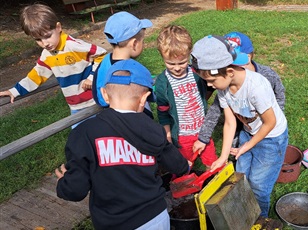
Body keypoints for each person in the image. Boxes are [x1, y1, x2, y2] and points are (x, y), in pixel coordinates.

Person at [55, 59, 189, 230]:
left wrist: (64, 184)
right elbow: (177, 164)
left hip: (114, 222)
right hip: (155, 216)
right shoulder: (153, 129)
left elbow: (76, 190)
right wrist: (186, 166)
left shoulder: (85, 133)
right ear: (144, 99)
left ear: (104, 94)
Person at [191, 35, 289, 218]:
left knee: (259, 185)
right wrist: (222, 157)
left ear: (229, 72)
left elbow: (270, 122)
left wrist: (247, 146)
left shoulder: (256, 86)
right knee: (241, 178)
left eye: (211, 81)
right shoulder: (224, 87)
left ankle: (259, 221)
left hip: (271, 139)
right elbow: (230, 122)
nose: (209, 86)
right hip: (249, 133)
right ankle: (244, 216)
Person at [0, 3, 106, 128]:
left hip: (94, 102)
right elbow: (37, 75)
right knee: (81, 140)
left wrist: (92, 77)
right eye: (38, 40)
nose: (45, 43)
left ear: (58, 27)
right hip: (75, 106)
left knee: (102, 137)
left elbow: (102, 55)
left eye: (47, 36)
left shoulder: (73, 45)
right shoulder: (47, 54)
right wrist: (14, 91)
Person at [193, 31, 285, 154]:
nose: (240, 67)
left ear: (250, 56)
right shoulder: (224, 84)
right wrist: (203, 138)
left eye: (242, 62)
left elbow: (279, 97)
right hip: (245, 126)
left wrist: (277, 115)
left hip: (266, 126)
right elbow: (216, 112)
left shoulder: (262, 80)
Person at [155, 25, 218, 169]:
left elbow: (209, 88)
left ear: (189, 54)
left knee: (212, 163)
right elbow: (163, 111)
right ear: (162, 57)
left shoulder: (197, 73)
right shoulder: (162, 83)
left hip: (203, 131)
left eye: (182, 62)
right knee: (183, 168)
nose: (177, 68)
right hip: (182, 136)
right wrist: (168, 135)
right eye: (170, 63)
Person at [92, 11, 155, 117]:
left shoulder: (104, 62)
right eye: (142, 41)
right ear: (134, 44)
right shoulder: (132, 69)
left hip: (114, 119)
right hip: (137, 119)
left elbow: (99, 97)